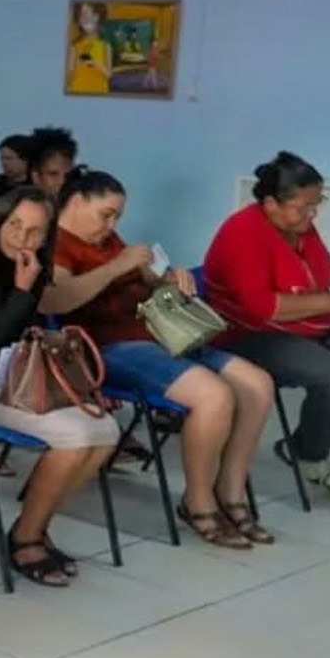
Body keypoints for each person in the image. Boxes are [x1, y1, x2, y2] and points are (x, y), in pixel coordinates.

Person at [48, 167, 281, 543]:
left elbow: (144, 279)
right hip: (106, 347)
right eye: (106, 214)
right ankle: (198, 501)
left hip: (160, 334)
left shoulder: (106, 239)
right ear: (76, 201)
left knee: (257, 384)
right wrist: (117, 267)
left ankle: (231, 490)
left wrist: (166, 278)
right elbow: (56, 300)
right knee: (213, 395)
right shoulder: (56, 244)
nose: (112, 224)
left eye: (117, 217)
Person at [203, 151, 330, 509]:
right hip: (247, 335)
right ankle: (304, 452)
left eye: (317, 205)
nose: (312, 215)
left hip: (306, 328)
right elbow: (261, 307)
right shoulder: (242, 232)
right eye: (304, 207)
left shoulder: (298, 228)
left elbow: (323, 279)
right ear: (271, 203)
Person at [0, 187, 117, 583]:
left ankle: (38, 518)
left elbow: (25, 337)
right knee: (75, 437)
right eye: (14, 225)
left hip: (11, 380)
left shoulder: (30, 264)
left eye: (35, 231)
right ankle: (25, 537)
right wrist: (21, 291)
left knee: (105, 431)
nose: (22, 237)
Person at [67, 2, 114, 95]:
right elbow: (70, 75)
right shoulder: (75, 46)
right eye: (81, 16)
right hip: (78, 91)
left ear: (98, 17)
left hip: (99, 92)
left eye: (87, 14)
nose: (84, 19)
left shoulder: (106, 46)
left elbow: (109, 75)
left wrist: (96, 64)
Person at [24, 126, 78, 199]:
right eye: (53, 174)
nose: (62, 181)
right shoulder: (18, 203)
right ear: (36, 177)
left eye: (68, 175)